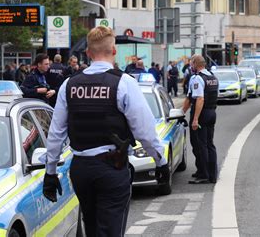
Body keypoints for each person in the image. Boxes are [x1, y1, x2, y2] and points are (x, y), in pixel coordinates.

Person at [43, 26, 169, 237]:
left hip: (81, 169)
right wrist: (160, 161)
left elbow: (56, 133)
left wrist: (50, 172)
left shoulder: (69, 85)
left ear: (88, 53)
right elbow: (144, 131)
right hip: (111, 168)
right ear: (114, 51)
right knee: (111, 230)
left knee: (91, 228)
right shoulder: (124, 83)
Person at [182, 54, 219, 184]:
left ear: (195, 64)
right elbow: (190, 98)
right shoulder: (212, 77)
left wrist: (195, 119)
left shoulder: (197, 78)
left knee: (200, 144)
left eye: (191, 63)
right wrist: (182, 112)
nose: (190, 66)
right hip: (212, 113)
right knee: (209, 143)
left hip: (201, 114)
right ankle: (212, 174)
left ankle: (204, 174)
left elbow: (198, 98)